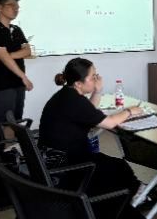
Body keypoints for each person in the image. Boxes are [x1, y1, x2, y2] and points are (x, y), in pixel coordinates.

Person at [39, 58, 144, 198]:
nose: (96, 79)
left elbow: (88, 111)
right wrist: (130, 111)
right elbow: (109, 123)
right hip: (66, 163)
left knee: (114, 165)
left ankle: (136, 191)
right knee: (119, 166)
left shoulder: (67, 94)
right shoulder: (74, 100)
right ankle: (138, 195)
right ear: (78, 83)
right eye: (93, 77)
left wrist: (97, 91)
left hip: (54, 157)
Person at [0, 0, 34, 123]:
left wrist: (3, 56)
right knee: (5, 123)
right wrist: (24, 77)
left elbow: (27, 51)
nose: (16, 9)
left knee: (16, 121)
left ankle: (10, 138)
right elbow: (3, 55)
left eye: (17, 6)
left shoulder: (16, 29)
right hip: (2, 85)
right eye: (11, 5)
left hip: (18, 83)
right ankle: (0, 139)